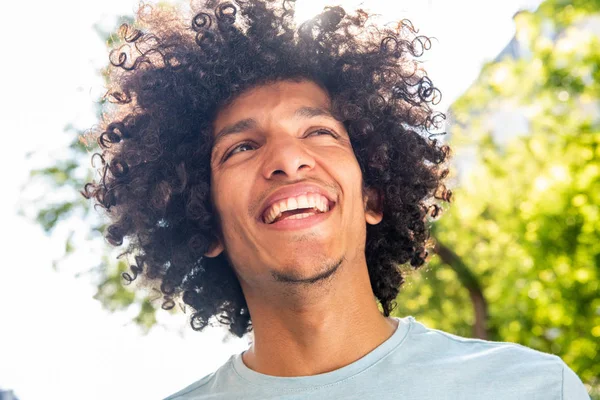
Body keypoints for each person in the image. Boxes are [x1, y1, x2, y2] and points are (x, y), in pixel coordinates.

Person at [81, 0, 591, 398]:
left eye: (320, 132)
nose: (288, 159)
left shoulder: (534, 389)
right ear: (206, 224)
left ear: (372, 195)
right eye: (241, 146)